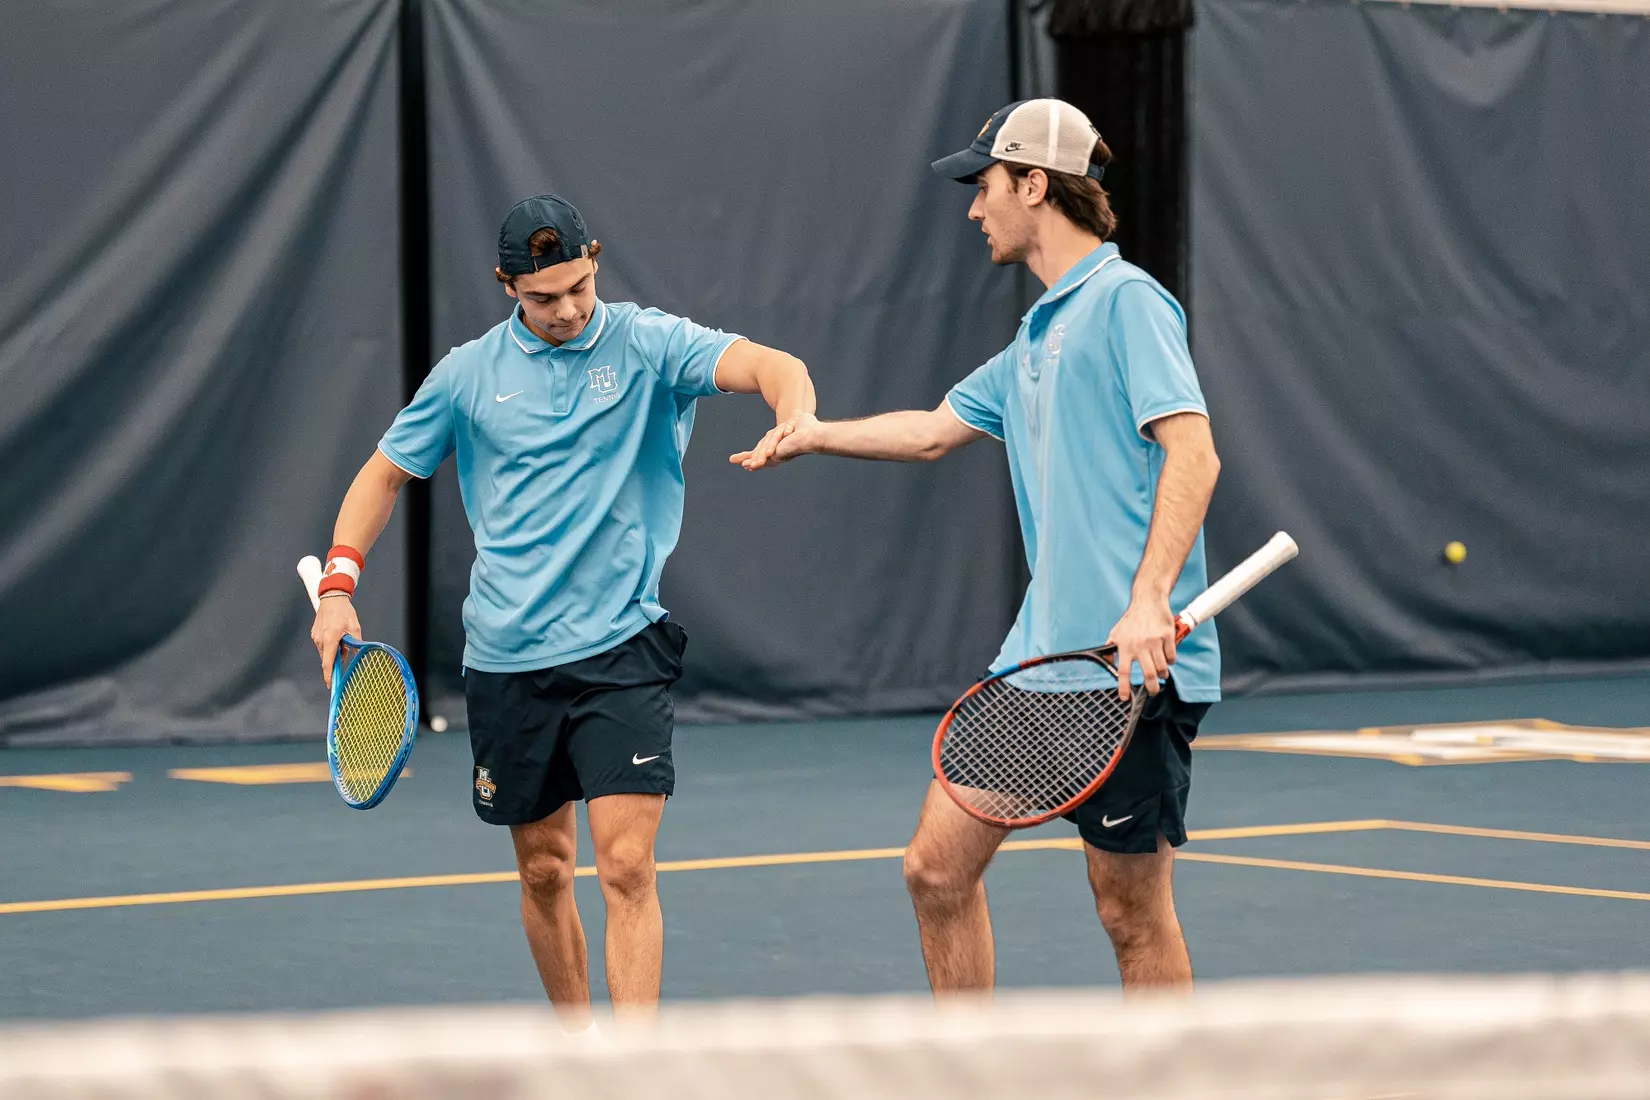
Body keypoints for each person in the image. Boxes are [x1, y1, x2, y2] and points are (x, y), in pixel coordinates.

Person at [734, 100, 1222, 992]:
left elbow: (1193, 450)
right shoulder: (1035, 335)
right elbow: (928, 431)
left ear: (1035, 184)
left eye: (984, 185)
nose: (972, 208)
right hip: (1037, 663)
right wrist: (813, 432)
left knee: (1129, 913)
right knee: (935, 870)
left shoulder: (1127, 304)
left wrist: (1150, 598)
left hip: (1126, 671)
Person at [310, 194, 815, 1024]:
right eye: (544, 297)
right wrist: (337, 589)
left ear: (596, 261)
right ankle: (576, 1052)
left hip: (621, 649)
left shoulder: (650, 343)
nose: (569, 309)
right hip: (507, 659)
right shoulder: (467, 375)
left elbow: (770, 364)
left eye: (580, 286)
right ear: (508, 285)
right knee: (545, 870)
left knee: (625, 869)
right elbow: (384, 474)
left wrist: (794, 412)